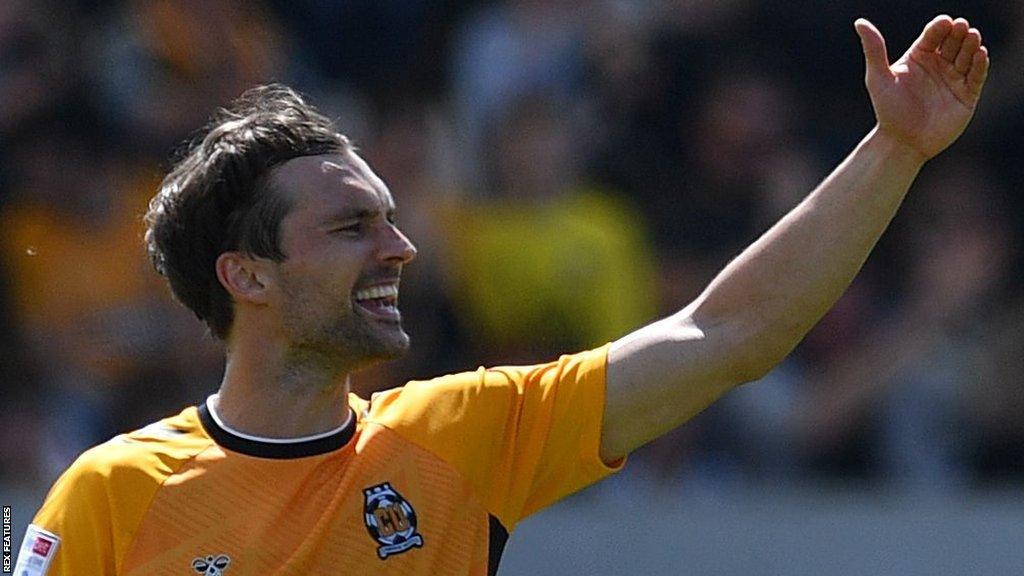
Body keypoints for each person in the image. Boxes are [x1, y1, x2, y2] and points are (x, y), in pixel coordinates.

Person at [15, 14, 989, 576]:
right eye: (352, 227)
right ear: (248, 275)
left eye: (392, 216)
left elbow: (725, 331)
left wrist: (893, 149)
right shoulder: (109, 496)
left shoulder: (459, 436)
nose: (400, 246)